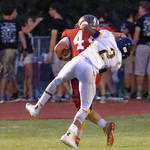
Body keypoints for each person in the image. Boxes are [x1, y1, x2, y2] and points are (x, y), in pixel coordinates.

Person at [25, 21, 133, 148]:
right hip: (90, 69)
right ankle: (70, 134)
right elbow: (104, 69)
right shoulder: (118, 61)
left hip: (78, 59)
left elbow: (94, 33)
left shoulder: (106, 35)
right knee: (85, 107)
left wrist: (86, 27)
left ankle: (37, 108)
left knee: (57, 80)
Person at [55, 14, 116, 146]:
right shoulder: (102, 30)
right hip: (94, 70)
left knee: (83, 107)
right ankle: (105, 126)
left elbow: (58, 49)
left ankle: (75, 137)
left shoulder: (70, 32)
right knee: (85, 107)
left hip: (79, 70)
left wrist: (63, 58)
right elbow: (119, 36)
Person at [0, 2, 27, 102]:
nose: (16, 13)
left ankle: (13, 95)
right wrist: (25, 49)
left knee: (8, 73)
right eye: (15, 11)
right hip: (13, 50)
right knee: (7, 73)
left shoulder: (0, 23)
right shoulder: (16, 23)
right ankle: (2, 97)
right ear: (11, 12)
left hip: (3, 50)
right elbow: (21, 36)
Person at [47, 2, 71, 101]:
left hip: (58, 51)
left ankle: (71, 94)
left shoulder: (55, 22)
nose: (49, 12)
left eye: (50, 10)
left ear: (54, 10)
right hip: (67, 50)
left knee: (58, 74)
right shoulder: (65, 22)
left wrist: (50, 53)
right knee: (64, 73)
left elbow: (53, 38)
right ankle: (59, 95)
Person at [21, 17, 43, 101]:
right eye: (30, 21)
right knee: (30, 76)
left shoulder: (27, 32)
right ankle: (30, 95)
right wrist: (36, 22)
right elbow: (27, 30)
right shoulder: (23, 30)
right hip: (27, 55)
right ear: (26, 23)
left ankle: (26, 94)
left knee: (27, 76)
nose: (32, 22)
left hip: (29, 55)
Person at [133, 1, 150, 100]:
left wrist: (133, 47)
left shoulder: (140, 19)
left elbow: (136, 34)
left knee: (140, 70)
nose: (139, 10)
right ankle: (149, 93)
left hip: (142, 46)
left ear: (143, 9)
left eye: (140, 8)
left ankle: (139, 93)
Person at [120, 8, 137, 99]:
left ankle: (127, 89)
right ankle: (129, 91)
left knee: (126, 71)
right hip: (129, 50)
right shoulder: (131, 25)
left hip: (121, 49)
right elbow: (130, 37)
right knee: (129, 71)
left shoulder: (123, 24)